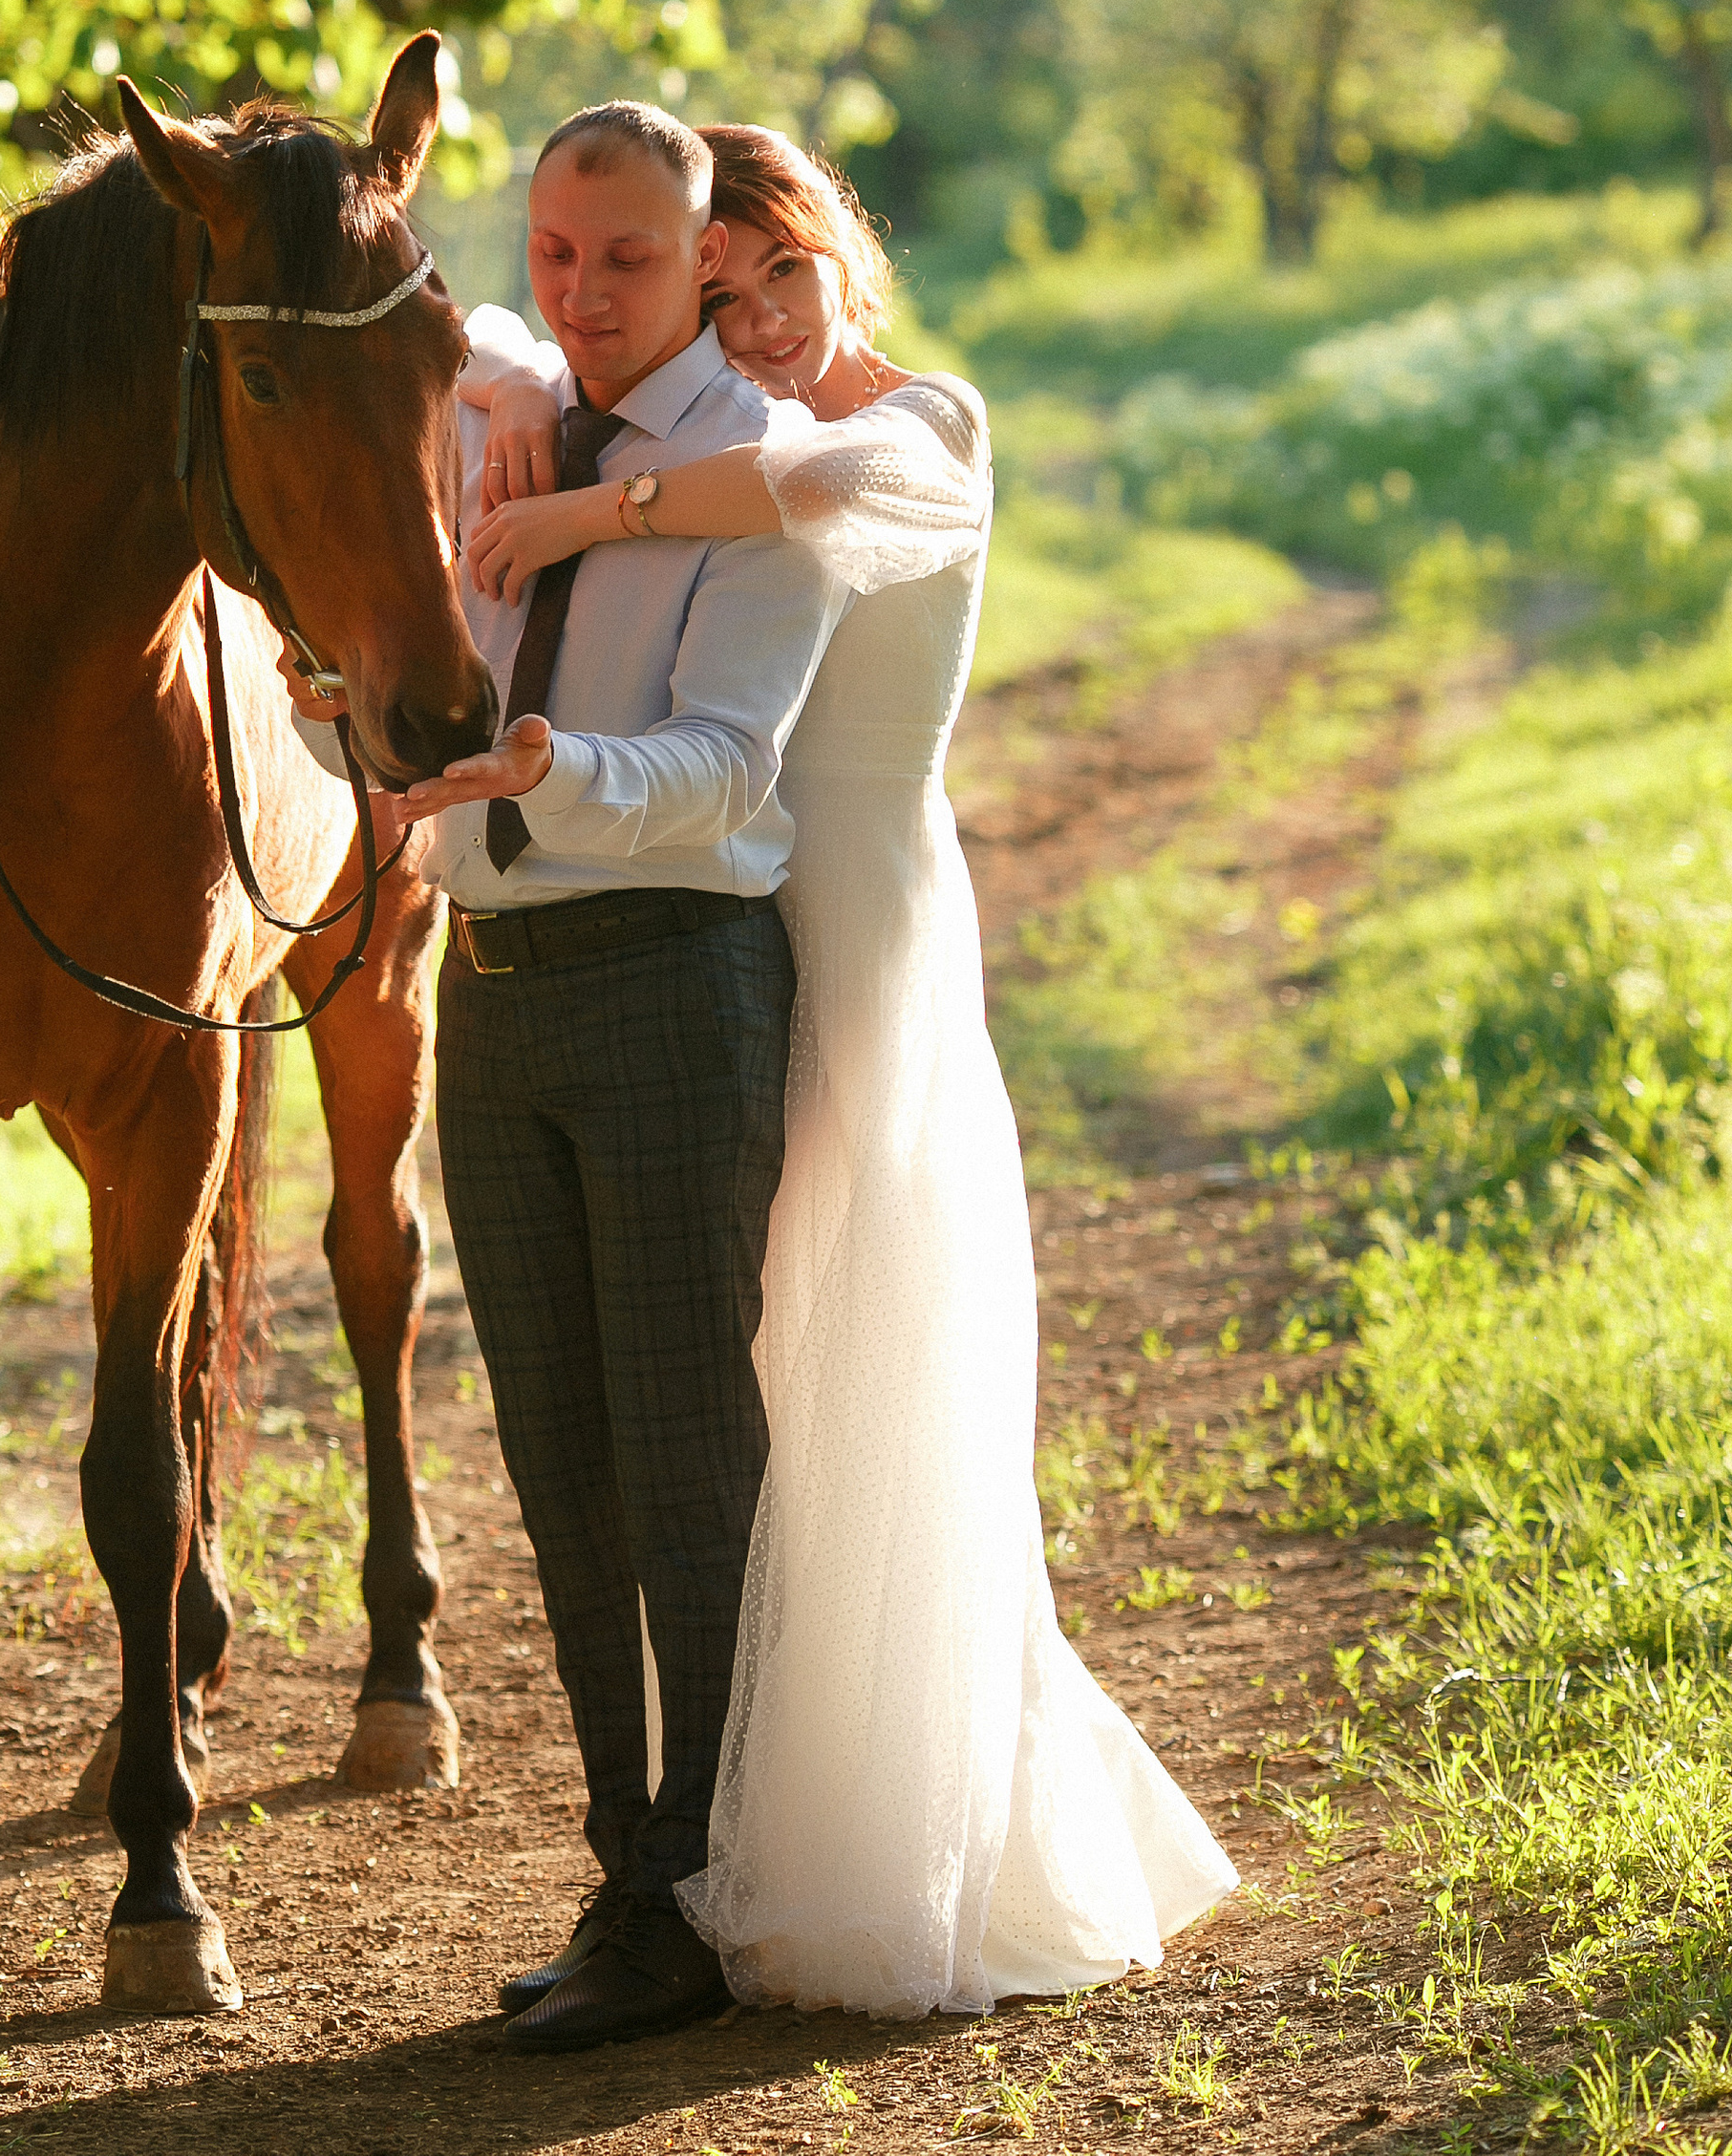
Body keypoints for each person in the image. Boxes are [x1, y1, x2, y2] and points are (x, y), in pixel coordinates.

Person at [455, 125, 1236, 2020]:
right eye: (718, 296)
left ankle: (865, 1819)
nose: (759, 322)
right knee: (729, 1386)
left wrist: (563, 513)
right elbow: (507, 326)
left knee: (848, 1378)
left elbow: (789, 484)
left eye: (775, 277)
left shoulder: (915, 430)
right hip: (721, 917)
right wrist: (502, 388)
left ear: (838, 253)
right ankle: (718, 1832)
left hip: (852, 925)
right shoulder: (673, 408)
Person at [291, 99, 848, 2057]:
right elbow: (424, 692)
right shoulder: (499, 433)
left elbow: (722, 764)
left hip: (674, 978)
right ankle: (627, 1869)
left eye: (621, 257)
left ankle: (697, 1894)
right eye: (549, 252)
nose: (579, 292)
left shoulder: (753, 473)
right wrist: (349, 712)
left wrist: (553, 776)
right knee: (555, 1464)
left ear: (694, 257)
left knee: (688, 1458)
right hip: (494, 984)